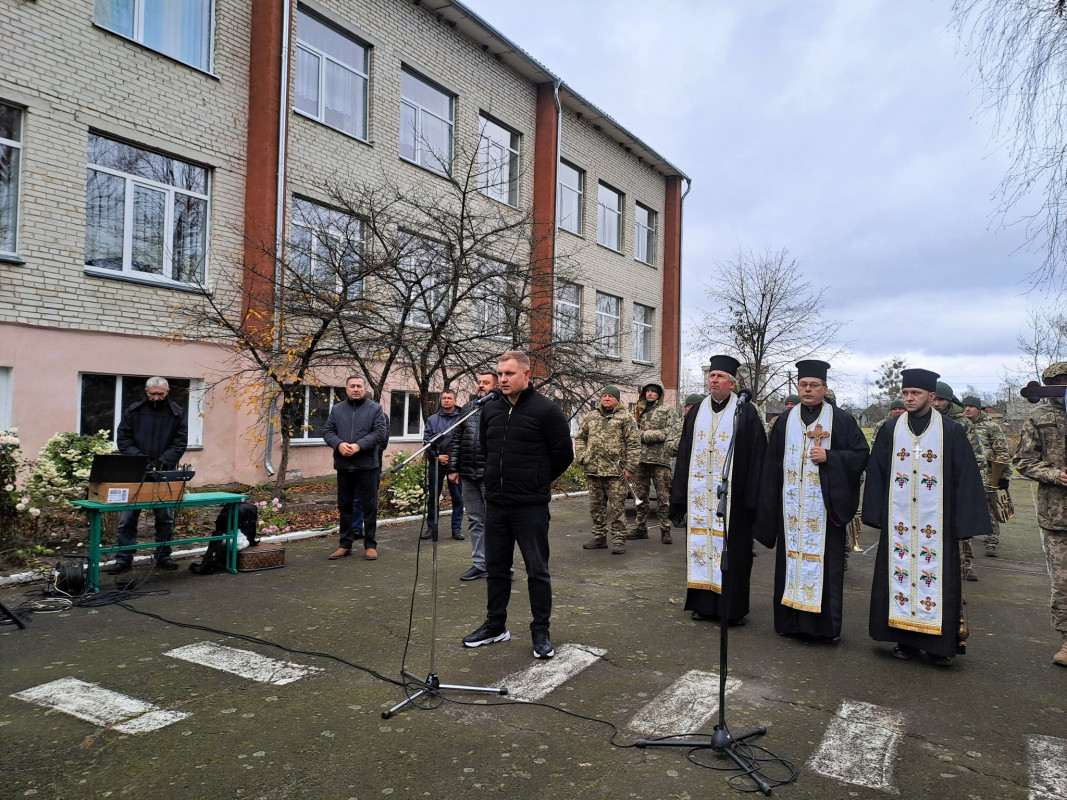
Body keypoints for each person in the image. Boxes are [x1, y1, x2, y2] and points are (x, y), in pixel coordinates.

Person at [862, 368, 991, 666]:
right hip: (900, 522)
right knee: (898, 576)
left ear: (931, 397)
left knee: (937, 580)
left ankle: (937, 646)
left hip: (938, 523)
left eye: (915, 393)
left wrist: (964, 522)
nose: (909, 398)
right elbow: (877, 472)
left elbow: (966, 477)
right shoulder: (890, 429)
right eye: (906, 393)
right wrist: (877, 513)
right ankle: (904, 641)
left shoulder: (951, 430)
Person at [462, 351, 573, 659]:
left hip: (530, 507)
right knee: (496, 568)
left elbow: (564, 455)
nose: (503, 379)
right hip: (496, 504)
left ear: (527, 375)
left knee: (537, 570)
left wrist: (537, 481)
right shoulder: (491, 409)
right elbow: (486, 447)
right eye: (500, 374)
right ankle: (496, 625)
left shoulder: (547, 411)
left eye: (509, 374)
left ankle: (540, 631)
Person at [754, 360, 869, 642]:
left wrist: (831, 457)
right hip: (791, 507)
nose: (808, 390)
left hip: (824, 510)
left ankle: (823, 629)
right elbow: (771, 465)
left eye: (814, 385)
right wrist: (768, 504)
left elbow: (861, 455)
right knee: (790, 563)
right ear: (797, 387)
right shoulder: (784, 420)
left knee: (825, 568)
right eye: (803, 385)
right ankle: (789, 623)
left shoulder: (841, 420)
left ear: (824, 389)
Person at [668, 355, 767, 626]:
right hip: (701, 496)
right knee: (701, 546)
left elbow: (758, 457)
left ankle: (732, 609)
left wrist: (752, 500)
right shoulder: (697, 411)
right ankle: (703, 605)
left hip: (734, 501)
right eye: (711, 375)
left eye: (720, 376)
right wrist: (679, 496)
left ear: (733, 383)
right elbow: (685, 453)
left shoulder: (746, 412)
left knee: (732, 552)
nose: (714, 380)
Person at [1012, 361, 1067, 667]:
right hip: (1058, 514)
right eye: (1060, 380)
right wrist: (1055, 474)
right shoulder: (1039, 416)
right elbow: (1022, 460)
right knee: (1063, 580)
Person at [105, 377, 188, 574]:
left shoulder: (176, 412)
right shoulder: (134, 410)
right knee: (128, 517)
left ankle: (163, 556)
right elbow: (123, 437)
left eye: (160, 394)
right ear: (146, 391)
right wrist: (139, 458)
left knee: (165, 516)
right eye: (152, 393)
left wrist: (162, 461)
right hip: (135, 470)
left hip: (164, 471)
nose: (156, 397)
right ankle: (123, 558)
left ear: (167, 392)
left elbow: (180, 441)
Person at [323, 375, 389, 561]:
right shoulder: (337, 409)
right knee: (345, 506)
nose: (356, 389)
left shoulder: (375, 409)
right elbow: (328, 432)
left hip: (367, 464)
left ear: (364, 388)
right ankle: (345, 544)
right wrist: (339, 444)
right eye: (352, 386)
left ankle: (370, 544)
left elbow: (380, 433)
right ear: (346, 389)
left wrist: (359, 445)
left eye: (359, 386)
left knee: (369, 506)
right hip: (344, 465)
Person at [575, 386, 640, 555]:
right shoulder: (592, 416)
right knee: (596, 507)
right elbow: (581, 437)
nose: (606, 399)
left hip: (616, 472)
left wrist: (631, 467)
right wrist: (582, 456)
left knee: (617, 508)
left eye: (610, 396)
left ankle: (619, 539)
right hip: (594, 469)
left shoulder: (625, 418)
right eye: (604, 396)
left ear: (617, 399)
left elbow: (634, 444)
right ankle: (599, 537)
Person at [933, 381, 987, 582]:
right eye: (935, 398)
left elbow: (976, 455)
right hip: (929, 483)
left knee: (961, 527)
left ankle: (965, 564)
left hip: (955, 482)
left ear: (950, 401)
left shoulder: (962, 423)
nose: (937, 403)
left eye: (942, 399)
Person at [448, 371, 498, 580]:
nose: (481, 386)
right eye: (479, 382)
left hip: (491, 475)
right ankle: (480, 564)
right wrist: (453, 467)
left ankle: (501, 566)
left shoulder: (501, 409)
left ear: (495, 386)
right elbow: (456, 438)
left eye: (486, 382)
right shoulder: (469, 408)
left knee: (496, 522)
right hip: (468, 473)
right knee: (476, 520)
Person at [628, 380, 679, 545]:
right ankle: (641, 528)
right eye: (647, 391)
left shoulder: (667, 410)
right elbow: (631, 432)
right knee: (640, 496)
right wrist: (643, 435)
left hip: (660, 459)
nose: (650, 393)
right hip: (641, 460)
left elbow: (671, 432)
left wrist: (648, 435)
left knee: (663, 497)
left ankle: (665, 530)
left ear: (659, 393)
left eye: (653, 391)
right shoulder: (638, 410)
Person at [963, 395, 1011, 557]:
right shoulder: (961, 425)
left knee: (989, 508)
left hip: (988, 475)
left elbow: (1002, 452)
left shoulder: (991, 426)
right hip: (967, 473)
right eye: (965, 406)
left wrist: (1004, 476)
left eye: (971, 406)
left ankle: (991, 541)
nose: (967, 409)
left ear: (979, 409)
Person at [422, 389, 464, 541]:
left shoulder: (462, 418)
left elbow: (464, 440)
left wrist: (453, 458)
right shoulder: (432, 419)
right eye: (444, 398)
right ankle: (431, 529)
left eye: (449, 398)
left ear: (455, 400)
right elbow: (427, 442)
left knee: (457, 497)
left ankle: (457, 529)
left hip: (455, 464)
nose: (446, 400)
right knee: (433, 497)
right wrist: (437, 456)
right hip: (436, 463)